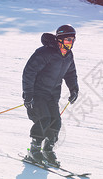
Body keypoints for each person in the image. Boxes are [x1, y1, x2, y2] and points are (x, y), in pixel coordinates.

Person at [22, 24, 79, 166]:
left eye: (72, 40)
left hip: (53, 95)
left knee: (55, 122)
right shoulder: (44, 53)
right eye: (67, 40)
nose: (70, 43)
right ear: (59, 40)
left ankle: (48, 150)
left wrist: (74, 89)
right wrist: (28, 94)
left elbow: (70, 73)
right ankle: (33, 150)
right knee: (44, 119)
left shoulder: (68, 56)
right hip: (37, 94)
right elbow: (29, 72)